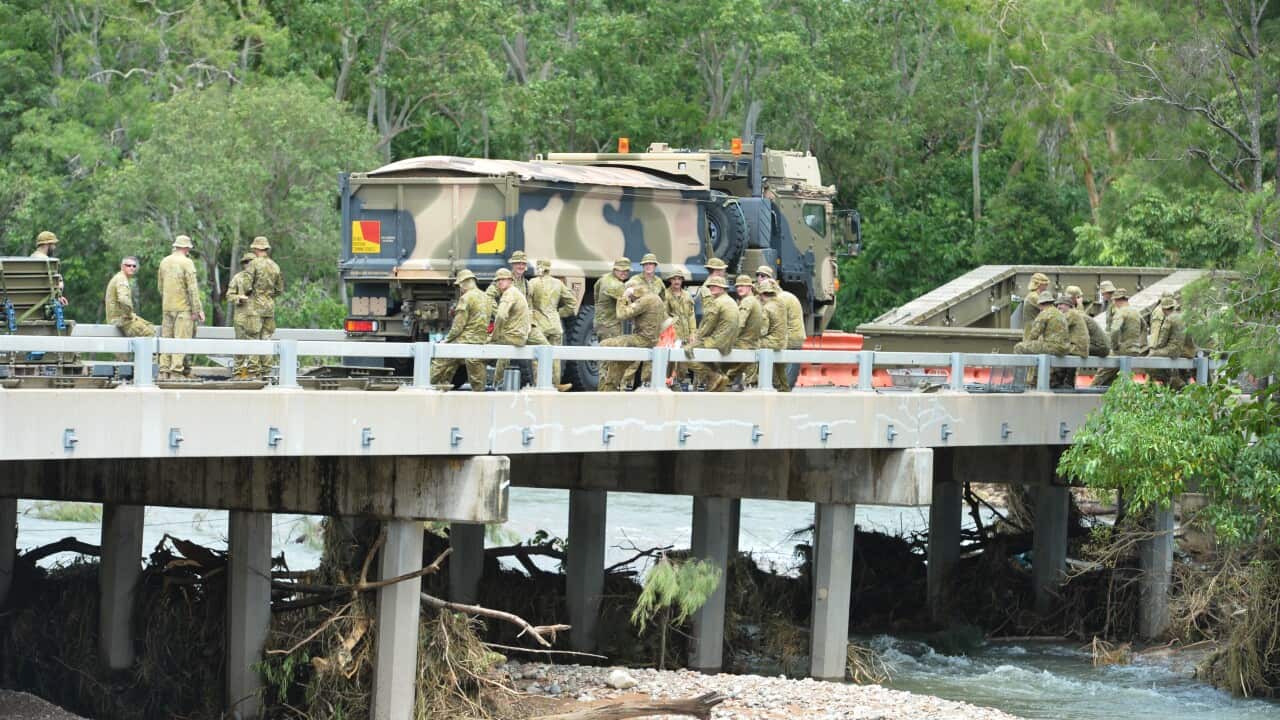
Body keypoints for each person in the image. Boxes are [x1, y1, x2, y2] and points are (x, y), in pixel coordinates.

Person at [430, 269, 493, 391]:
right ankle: (479, 395)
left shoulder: (466, 298)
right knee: (477, 375)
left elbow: (458, 326)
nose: (460, 289)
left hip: (465, 340)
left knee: (441, 360)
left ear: (465, 283)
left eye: (460, 285)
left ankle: (427, 386)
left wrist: (446, 341)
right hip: (480, 340)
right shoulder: (486, 297)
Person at [598, 283, 665, 391]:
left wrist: (624, 297)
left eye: (631, 298)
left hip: (641, 340)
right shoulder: (656, 299)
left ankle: (606, 390)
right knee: (617, 364)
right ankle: (609, 389)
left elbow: (621, 315)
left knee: (603, 345)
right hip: (651, 341)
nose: (631, 300)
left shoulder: (645, 300)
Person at [157, 234, 204, 380]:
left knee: (166, 340)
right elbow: (192, 289)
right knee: (180, 340)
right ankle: (176, 372)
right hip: (183, 308)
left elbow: (160, 286)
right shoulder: (187, 263)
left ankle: (163, 371)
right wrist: (197, 310)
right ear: (186, 248)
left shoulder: (164, 262)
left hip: (167, 307)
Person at [528, 258, 578, 391]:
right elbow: (572, 303)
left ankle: (539, 383)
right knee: (555, 356)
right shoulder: (558, 283)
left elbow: (527, 302)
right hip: (555, 325)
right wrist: (558, 313)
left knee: (537, 356)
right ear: (549, 269)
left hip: (539, 325)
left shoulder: (532, 283)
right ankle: (556, 384)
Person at [685, 275, 740, 392]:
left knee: (684, 354)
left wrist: (695, 341)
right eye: (710, 286)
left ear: (722, 288)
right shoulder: (731, 301)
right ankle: (719, 376)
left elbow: (707, 326)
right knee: (702, 354)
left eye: (715, 286)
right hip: (728, 343)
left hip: (717, 341)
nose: (712, 288)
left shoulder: (717, 303)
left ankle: (713, 376)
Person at [756, 264, 805, 389]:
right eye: (758, 275)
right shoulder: (783, 296)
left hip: (790, 338)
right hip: (793, 337)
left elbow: (770, 324)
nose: (760, 278)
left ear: (771, 279)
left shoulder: (779, 299)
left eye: (764, 276)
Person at [245, 236, 284, 378]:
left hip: (255, 307)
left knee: (253, 338)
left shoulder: (253, 264)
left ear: (256, 249)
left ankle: (253, 372)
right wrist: (268, 296)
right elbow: (279, 289)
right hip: (269, 307)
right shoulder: (275, 266)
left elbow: (246, 286)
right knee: (266, 339)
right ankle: (267, 372)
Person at [490, 268, 536, 387]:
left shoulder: (509, 293)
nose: (500, 282)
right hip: (519, 335)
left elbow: (500, 315)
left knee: (481, 346)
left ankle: (495, 383)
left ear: (510, 281)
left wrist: (494, 336)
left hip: (513, 336)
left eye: (503, 280)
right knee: (502, 352)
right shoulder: (516, 292)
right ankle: (498, 381)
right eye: (498, 280)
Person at [1014, 291, 1068, 390]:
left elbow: (1034, 334)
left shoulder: (1044, 314)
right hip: (1064, 348)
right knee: (1038, 347)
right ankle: (1034, 380)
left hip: (1052, 347)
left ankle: (1019, 382)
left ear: (1040, 304)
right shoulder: (1060, 314)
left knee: (1019, 347)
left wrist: (1027, 343)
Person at [1093, 288, 1142, 387]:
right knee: (1114, 375)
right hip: (1135, 349)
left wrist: (1115, 346)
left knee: (1103, 371)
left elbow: (1115, 330)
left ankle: (1090, 392)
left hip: (1122, 349)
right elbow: (1143, 327)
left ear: (1116, 300)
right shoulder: (1136, 312)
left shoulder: (1121, 312)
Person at [726, 274, 765, 388]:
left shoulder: (747, 301)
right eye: (738, 286)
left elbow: (739, 324)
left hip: (744, 344)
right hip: (752, 343)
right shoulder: (755, 301)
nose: (739, 288)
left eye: (743, 285)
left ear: (750, 287)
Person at [104, 256, 154, 339]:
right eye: (128, 265)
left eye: (134, 266)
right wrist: (129, 314)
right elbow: (124, 299)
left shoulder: (120, 277)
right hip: (120, 320)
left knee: (150, 326)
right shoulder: (121, 279)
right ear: (122, 266)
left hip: (120, 319)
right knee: (149, 334)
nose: (132, 268)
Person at [225, 253, 256, 378]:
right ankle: (238, 373)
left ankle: (254, 373)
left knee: (256, 346)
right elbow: (229, 295)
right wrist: (239, 298)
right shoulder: (238, 278)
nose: (248, 264)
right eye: (246, 262)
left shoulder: (262, 279)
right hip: (241, 317)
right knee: (240, 345)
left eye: (251, 262)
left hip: (256, 317)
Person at [665, 269, 697, 388]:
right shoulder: (666, 295)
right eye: (674, 279)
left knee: (683, 364)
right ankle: (670, 385)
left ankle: (679, 384)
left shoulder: (687, 295)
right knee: (671, 362)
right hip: (672, 335)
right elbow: (664, 316)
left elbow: (691, 315)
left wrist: (693, 333)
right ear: (670, 281)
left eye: (679, 279)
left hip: (685, 335)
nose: (677, 281)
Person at [1148, 295, 1187, 389]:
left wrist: (1156, 348)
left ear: (1164, 309)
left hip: (1171, 350)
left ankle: (1167, 380)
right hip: (1181, 350)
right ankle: (1176, 380)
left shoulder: (1169, 319)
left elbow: (1162, 339)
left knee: (1148, 359)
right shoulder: (1182, 317)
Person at [1052, 294, 1089, 390]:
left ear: (1068, 305)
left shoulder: (1071, 314)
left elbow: (1058, 328)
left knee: (1055, 351)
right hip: (1076, 347)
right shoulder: (1073, 313)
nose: (1058, 307)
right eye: (1057, 305)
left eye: (1061, 304)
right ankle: (1063, 382)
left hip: (1076, 347)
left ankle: (1062, 383)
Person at [758, 280, 790, 391]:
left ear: (762, 294)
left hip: (771, 343)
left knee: (750, 344)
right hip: (783, 342)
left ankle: (751, 381)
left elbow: (763, 331)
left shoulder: (766, 308)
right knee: (781, 370)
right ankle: (784, 388)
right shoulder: (781, 303)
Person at [593, 257, 630, 345]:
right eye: (621, 270)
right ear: (614, 269)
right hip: (611, 326)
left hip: (601, 323)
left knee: (603, 352)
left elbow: (596, 296)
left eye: (626, 271)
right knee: (611, 356)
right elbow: (627, 305)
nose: (624, 273)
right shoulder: (616, 285)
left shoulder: (603, 279)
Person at [31, 231, 68, 306]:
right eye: (53, 244)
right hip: (45, 304)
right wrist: (59, 296)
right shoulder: (49, 263)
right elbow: (58, 286)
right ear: (46, 244)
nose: (54, 247)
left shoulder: (30, 259)